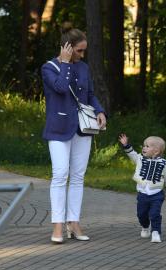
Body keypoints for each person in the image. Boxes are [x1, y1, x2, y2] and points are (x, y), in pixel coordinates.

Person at [41, 24, 107, 244]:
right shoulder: (49, 67)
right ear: (67, 48)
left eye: (84, 50)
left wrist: (99, 111)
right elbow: (60, 88)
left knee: (78, 176)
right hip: (58, 127)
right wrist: (66, 63)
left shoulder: (84, 67)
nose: (82, 54)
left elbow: (89, 94)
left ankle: (74, 221)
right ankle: (58, 225)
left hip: (82, 127)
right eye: (79, 50)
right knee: (60, 175)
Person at [118, 134, 166, 243]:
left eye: (147, 146)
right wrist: (126, 145)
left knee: (155, 214)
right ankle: (145, 226)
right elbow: (132, 154)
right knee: (141, 214)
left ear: (156, 151)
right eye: (144, 146)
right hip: (142, 194)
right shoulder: (140, 159)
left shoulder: (163, 164)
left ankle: (156, 232)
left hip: (157, 194)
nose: (144, 148)